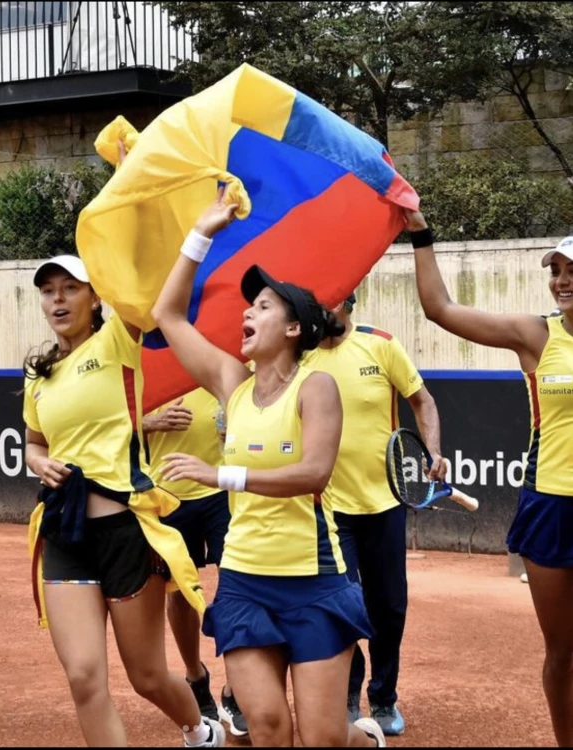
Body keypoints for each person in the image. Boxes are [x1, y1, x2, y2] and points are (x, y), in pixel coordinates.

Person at [151, 187, 386, 748]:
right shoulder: (233, 383)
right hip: (244, 582)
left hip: (315, 579)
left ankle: (365, 739)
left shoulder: (317, 385)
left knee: (325, 738)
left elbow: (313, 475)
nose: (247, 312)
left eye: (263, 306)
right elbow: (166, 313)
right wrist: (202, 231)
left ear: (294, 329)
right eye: (248, 305)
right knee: (269, 728)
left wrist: (220, 476)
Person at [23, 253, 225, 748]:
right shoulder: (38, 374)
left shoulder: (119, 341)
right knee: (84, 678)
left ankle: (200, 731)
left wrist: (197, 237)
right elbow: (34, 441)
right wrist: (37, 462)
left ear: (95, 298)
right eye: (48, 291)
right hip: (64, 534)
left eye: (70, 288)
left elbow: (153, 285)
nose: (58, 299)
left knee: (148, 677)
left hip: (125, 533)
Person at [410, 221, 573, 748]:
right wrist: (421, 235)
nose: (562, 281)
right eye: (557, 270)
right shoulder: (537, 335)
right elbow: (441, 309)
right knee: (563, 654)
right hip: (552, 506)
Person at [304, 291, 447, 735]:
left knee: (388, 607)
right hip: (329, 508)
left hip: (384, 503)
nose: (323, 311)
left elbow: (421, 399)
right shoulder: (302, 359)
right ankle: (348, 692)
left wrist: (433, 451)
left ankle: (383, 698)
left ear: (349, 301)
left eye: (330, 302)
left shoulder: (381, 344)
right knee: (340, 605)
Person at [144, 389, 248, 737]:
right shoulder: (142, 353)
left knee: (235, 586)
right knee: (181, 591)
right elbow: (111, 422)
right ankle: (195, 677)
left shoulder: (222, 353)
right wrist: (149, 422)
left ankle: (236, 690)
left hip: (222, 487)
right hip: (168, 492)